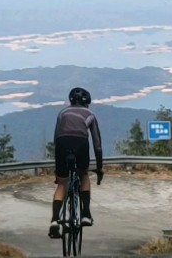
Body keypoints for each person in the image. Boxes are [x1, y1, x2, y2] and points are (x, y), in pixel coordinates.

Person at [49, 86, 103, 239]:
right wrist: (99, 168)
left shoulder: (62, 113)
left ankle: (54, 221)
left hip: (62, 143)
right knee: (83, 174)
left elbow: (56, 139)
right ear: (87, 103)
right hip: (80, 143)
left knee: (62, 184)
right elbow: (97, 144)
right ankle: (85, 214)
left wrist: (58, 170)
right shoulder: (90, 114)